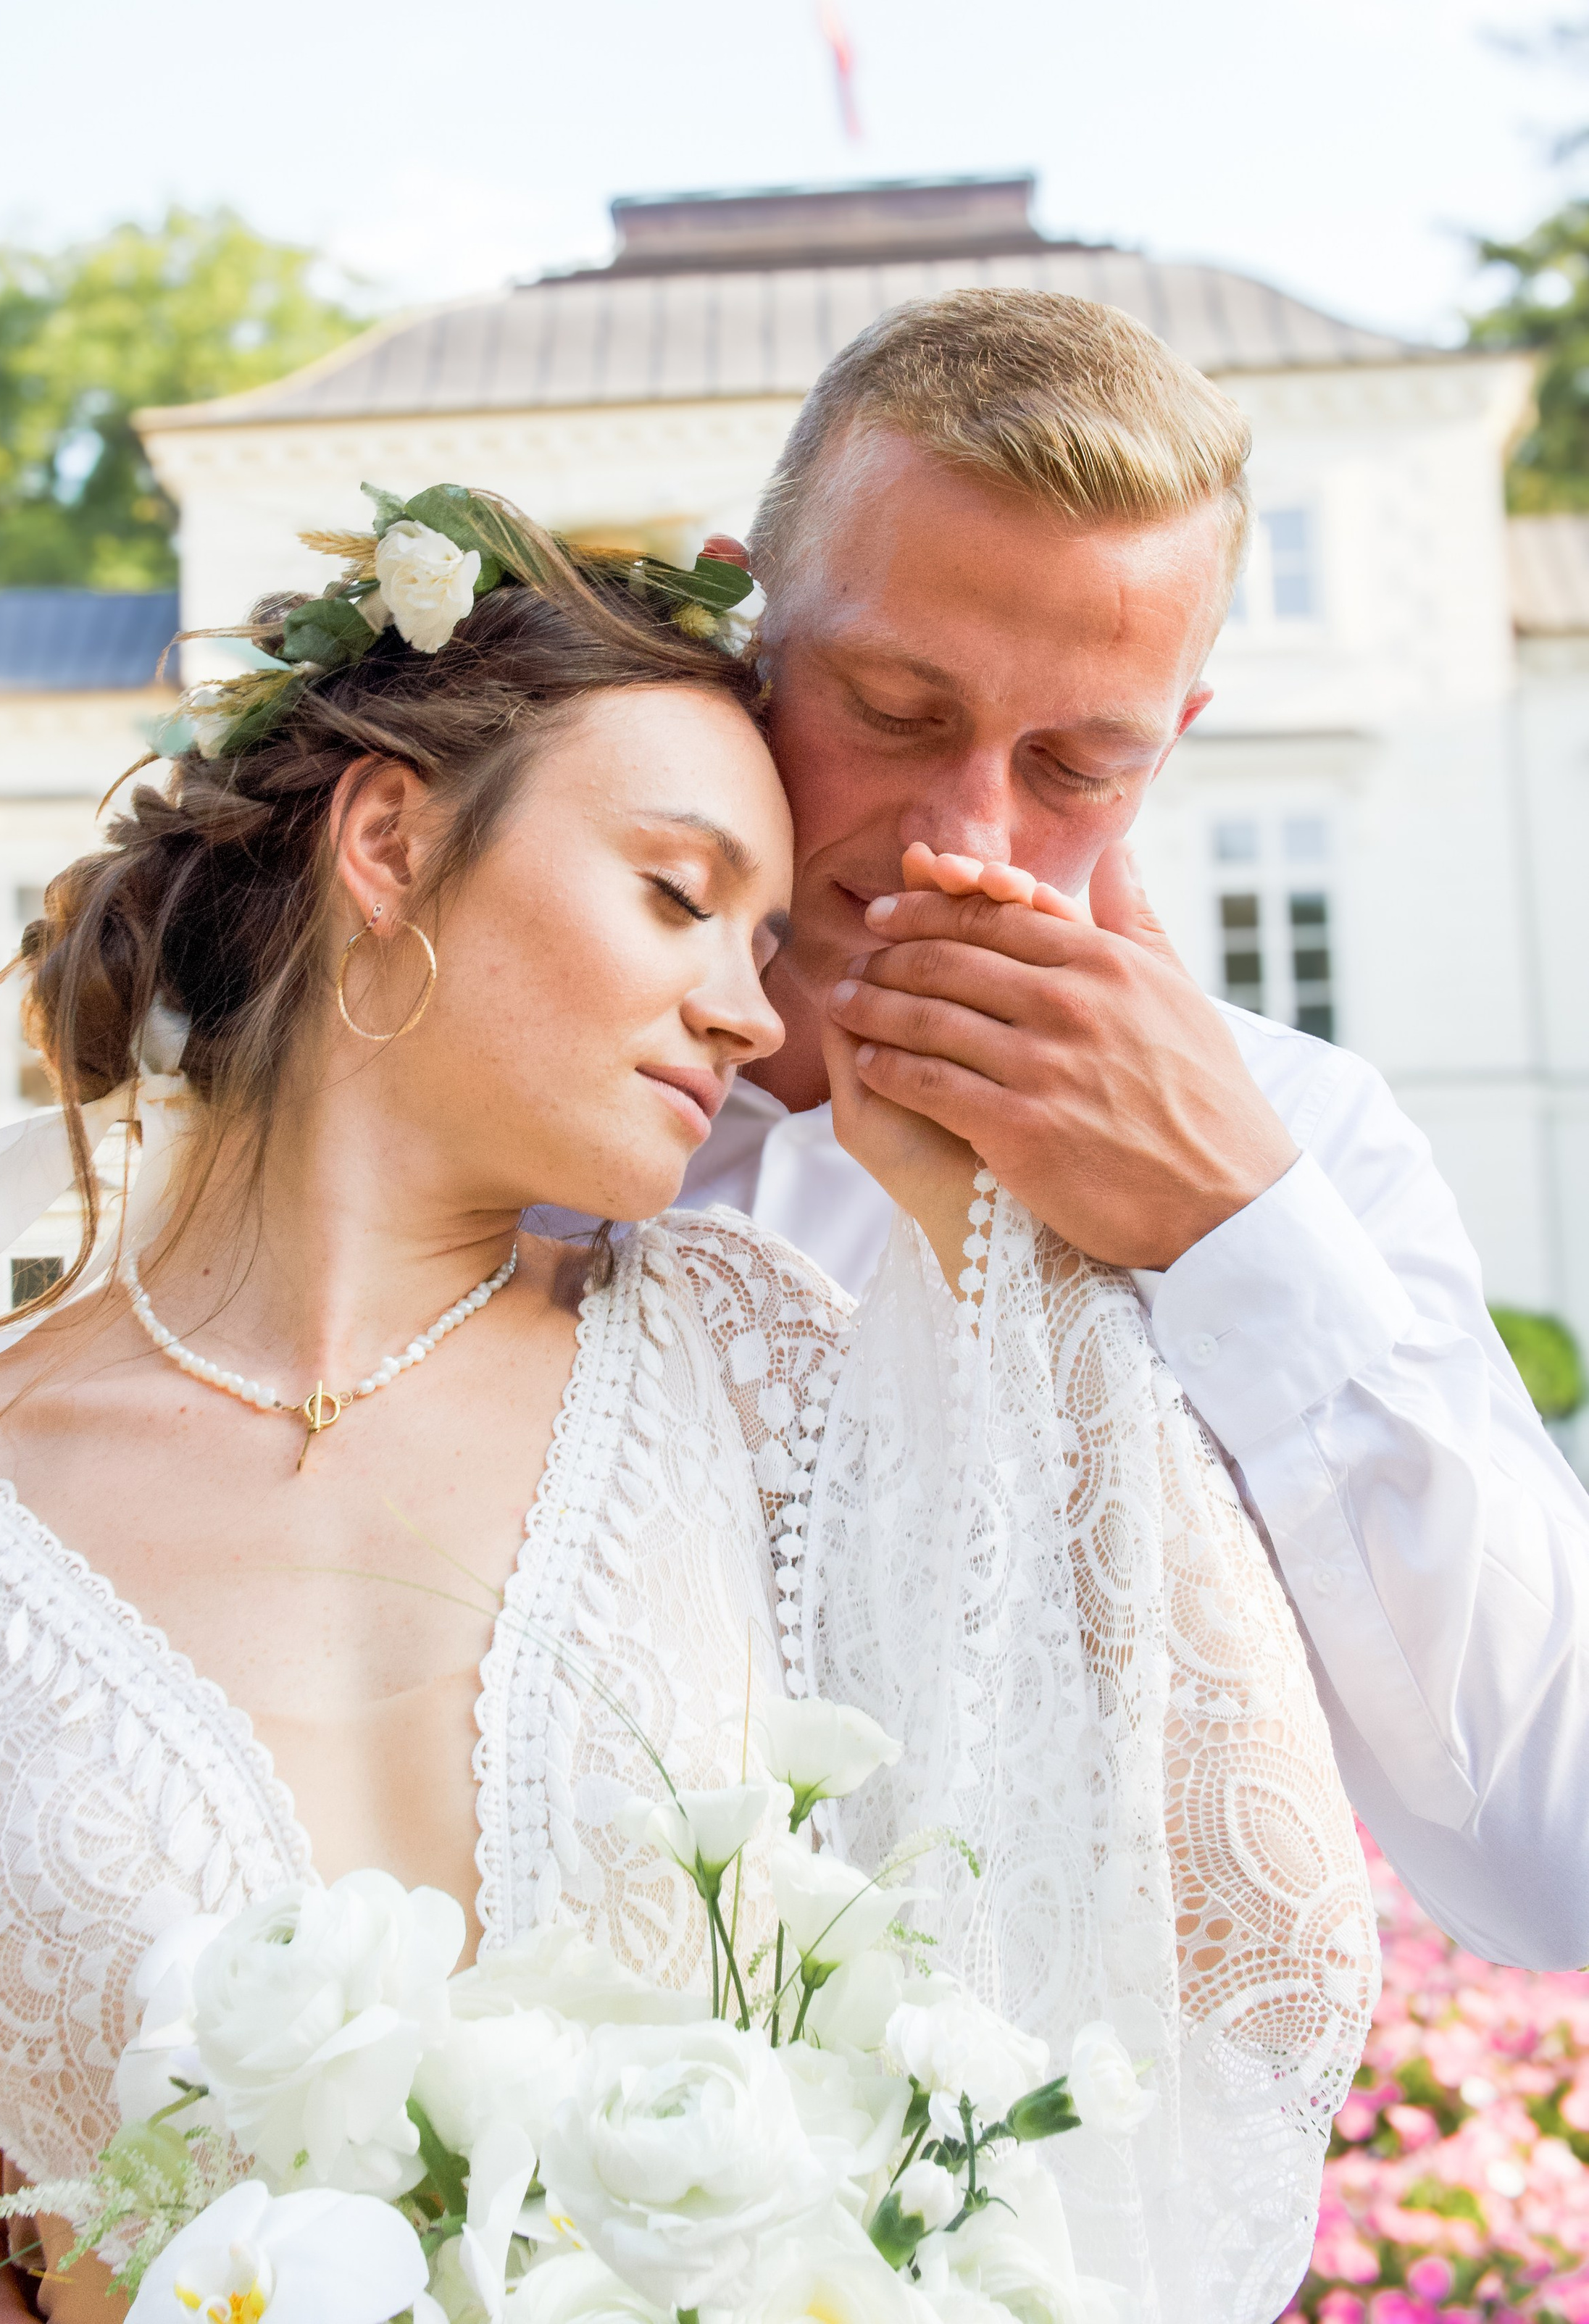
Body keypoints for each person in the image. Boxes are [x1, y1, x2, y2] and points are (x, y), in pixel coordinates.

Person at [0, 493, 1369, 2324]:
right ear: (386, 841)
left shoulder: (750, 1369)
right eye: (679, 895)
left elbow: (1250, 1940)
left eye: (768, 944)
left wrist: (1005, 1225)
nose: (753, 1017)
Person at [678, 285, 1589, 1976]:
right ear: (751, 627)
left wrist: (1235, 1225)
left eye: (1077, 766)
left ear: (1174, 740)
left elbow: (1554, 1860)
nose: (967, 840)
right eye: (891, 711)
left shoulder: (1309, 1136)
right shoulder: (530, 1104)